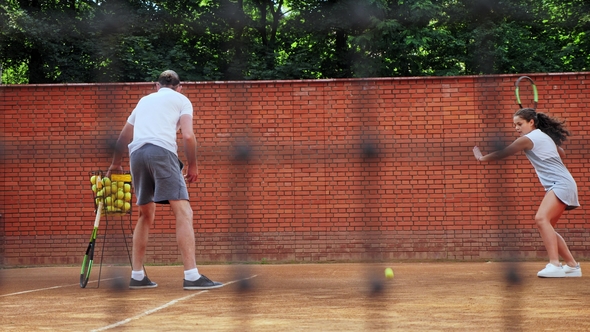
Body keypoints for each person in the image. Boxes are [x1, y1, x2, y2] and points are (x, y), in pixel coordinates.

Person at [108, 70, 223, 289]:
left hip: (137, 155)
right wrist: (193, 164)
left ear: (156, 86)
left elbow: (123, 137)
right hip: (162, 152)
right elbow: (188, 136)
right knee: (183, 211)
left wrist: (114, 164)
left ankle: (137, 275)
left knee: (145, 214)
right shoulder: (182, 100)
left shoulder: (143, 101)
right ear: (180, 87)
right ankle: (191, 276)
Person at [473, 108, 581, 278]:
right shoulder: (543, 137)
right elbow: (562, 153)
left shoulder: (528, 139)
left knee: (541, 219)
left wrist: (482, 158)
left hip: (560, 184)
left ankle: (555, 264)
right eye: (514, 125)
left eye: (519, 124)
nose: (516, 128)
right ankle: (573, 266)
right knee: (548, 226)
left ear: (531, 122)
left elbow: (505, 152)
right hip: (564, 184)